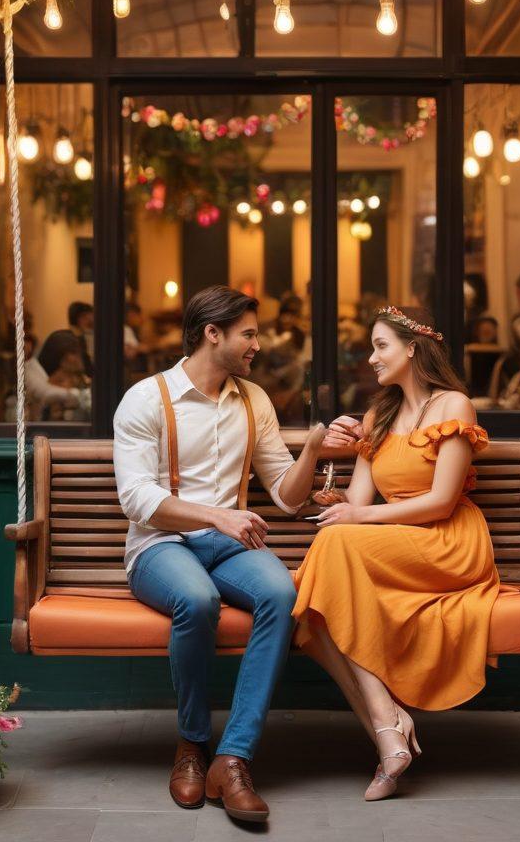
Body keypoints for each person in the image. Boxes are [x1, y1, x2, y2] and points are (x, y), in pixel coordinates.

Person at [112, 285, 354, 824]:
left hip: (227, 548)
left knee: (280, 592)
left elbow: (287, 500)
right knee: (196, 601)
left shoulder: (253, 399)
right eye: (248, 333)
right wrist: (218, 515)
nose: (257, 345)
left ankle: (234, 758)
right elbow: (136, 499)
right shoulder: (147, 399)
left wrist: (312, 447)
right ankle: (192, 746)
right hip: (160, 546)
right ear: (212, 334)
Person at [296, 305, 508, 800]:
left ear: (413, 348)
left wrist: (355, 519)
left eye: (381, 345)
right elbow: (357, 503)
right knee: (318, 604)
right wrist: (336, 497)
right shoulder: (379, 414)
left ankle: (387, 722)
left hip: (448, 541)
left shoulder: (454, 406)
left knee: (321, 572)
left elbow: (440, 502)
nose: (371, 357)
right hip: (395, 542)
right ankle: (388, 729)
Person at [37, 300, 94, 378]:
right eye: (84, 316)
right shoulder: (65, 339)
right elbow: (85, 371)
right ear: (80, 318)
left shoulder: (64, 336)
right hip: (53, 385)